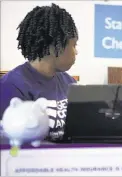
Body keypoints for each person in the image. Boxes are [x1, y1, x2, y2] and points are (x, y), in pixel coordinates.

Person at [0, 3, 78, 142]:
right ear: (56, 46)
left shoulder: (70, 83)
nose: (76, 51)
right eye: (74, 45)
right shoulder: (10, 87)